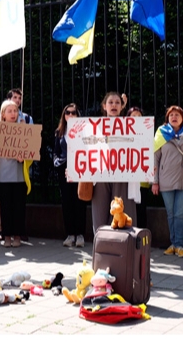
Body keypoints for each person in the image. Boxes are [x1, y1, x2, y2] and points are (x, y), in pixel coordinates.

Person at [152, 106, 183, 258]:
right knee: (171, 214)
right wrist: (155, 181)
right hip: (166, 180)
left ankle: (180, 245)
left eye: (177, 114)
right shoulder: (161, 135)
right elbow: (155, 159)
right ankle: (173, 244)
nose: (174, 117)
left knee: (180, 213)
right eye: (171, 115)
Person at [91, 91, 138, 233]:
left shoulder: (131, 127)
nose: (114, 105)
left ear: (122, 107)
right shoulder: (94, 127)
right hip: (100, 175)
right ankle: (101, 247)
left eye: (117, 102)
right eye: (110, 102)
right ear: (104, 106)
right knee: (99, 215)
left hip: (122, 174)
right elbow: (85, 150)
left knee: (122, 215)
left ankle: (123, 248)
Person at [0, 100, 32, 247]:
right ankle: (6, 236)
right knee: (5, 208)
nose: (13, 114)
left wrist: (23, 157)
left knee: (19, 208)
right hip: (3, 177)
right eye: (10, 111)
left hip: (19, 177)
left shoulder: (24, 130)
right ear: (3, 114)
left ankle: (17, 236)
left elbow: (31, 154)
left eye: (15, 111)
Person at [54, 103, 86, 247]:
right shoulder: (59, 132)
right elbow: (56, 152)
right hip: (64, 172)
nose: (71, 115)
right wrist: (59, 163)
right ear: (64, 115)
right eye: (68, 112)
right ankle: (70, 234)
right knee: (66, 202)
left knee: (79, 201)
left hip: (79, 171)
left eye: (74, 113)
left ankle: (80, 234)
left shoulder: (84, 131)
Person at [127, 106, 148, 229]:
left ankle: (141, 240)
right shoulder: (123, 132)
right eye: (133, 116)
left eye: (139, 116)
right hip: (127, 178)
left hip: (142, 180)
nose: (136, 118)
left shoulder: (147, 132)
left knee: (141, 210)